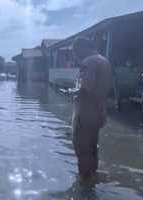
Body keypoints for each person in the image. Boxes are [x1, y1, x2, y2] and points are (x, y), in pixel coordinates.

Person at [60, 37, 112, 183]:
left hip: (86, 113)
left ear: (81, 48)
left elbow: (85, 89)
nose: (76, 56)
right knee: (92, 147)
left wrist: (69, 91)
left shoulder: (88, 62)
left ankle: (83, 185)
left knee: (82, 150)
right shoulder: (103, 60)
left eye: (75, 52)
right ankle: (93, 176)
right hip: (99, 111)